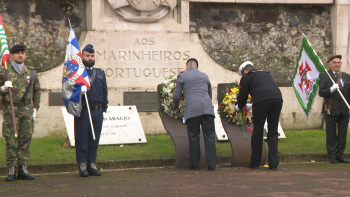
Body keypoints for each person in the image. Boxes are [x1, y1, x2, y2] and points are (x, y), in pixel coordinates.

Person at [0, 44, 41, 181]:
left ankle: (23, 167)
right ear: (11, 55)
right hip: (10, 109)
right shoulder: (3, 71)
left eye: (22, 53)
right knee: (11, 139)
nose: (20, 55)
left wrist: (35, 108)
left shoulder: (31, 72)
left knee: (25, 139)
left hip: (26, 110)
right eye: (17, 53)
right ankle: (11, 169)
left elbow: (37, 91)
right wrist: (3, 89)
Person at [236, 61, 283, 170]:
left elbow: (243, 95)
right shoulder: (266, 74)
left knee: (257, 130)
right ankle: (274, 163)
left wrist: (240, 105)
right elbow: (265, 90)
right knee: (273, 131)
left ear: (245, 71)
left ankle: (255, 162)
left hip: (261, 101)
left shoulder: (247, 76)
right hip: (277, 99)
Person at [172, 58, 217, 171]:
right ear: (197, 66)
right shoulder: (204, 76)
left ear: (187, 66)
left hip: (192, 109)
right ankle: (212, 165)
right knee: (210, 136)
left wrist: (175, 107)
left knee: (193, 137)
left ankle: (195, 164)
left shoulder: (182, 76)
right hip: (207, 109)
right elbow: (209, 93)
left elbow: (177, 95)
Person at [75, 44, 108, 177]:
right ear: (82, 56)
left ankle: (91, 163)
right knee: (82, 137)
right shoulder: (77, 73)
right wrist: (79, 91)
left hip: (97, 111)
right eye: (87, 55)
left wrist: (104, 109)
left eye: (92, 56)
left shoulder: (100, 73)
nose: (90, 58)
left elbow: (104, 92)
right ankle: (82, 164)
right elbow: (69, 91)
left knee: (95, 138)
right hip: (83, 110)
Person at [319, 55, 350, 164]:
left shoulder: (346, 76)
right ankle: (332, 156)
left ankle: (340, 155)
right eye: (335, 62)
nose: (337, 64)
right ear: (330, 64)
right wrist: (331, 89)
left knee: (342, 133)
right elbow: (321, 92)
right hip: (331, 108)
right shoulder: (325, 75)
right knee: (331, 133)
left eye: (339, 62)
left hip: (344, 110)